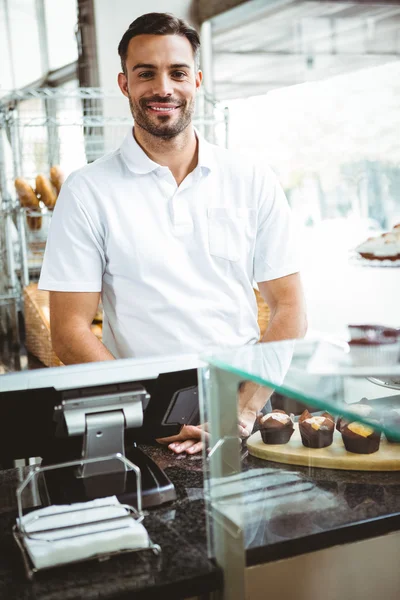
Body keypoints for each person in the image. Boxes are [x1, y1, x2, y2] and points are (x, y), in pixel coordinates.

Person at [38, 12, 307, 454]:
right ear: (125, 84)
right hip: (142, 422)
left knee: (249, 525)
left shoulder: (251, 178)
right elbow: (68, 330)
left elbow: (290, 306)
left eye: (177, 72)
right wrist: (150, 417)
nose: (163, 88)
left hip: (247, 412)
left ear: (196, 80)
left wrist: (241, 411)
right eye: (146, 73)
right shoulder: (87, 191)